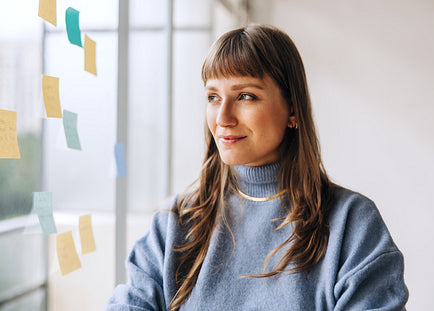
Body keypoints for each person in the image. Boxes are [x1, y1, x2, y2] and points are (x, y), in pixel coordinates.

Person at [106, 24, 409, 311]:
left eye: (245, 96)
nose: (222, 117)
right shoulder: (175, 224)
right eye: (213, 97)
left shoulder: (352, 224)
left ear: (292, 108)